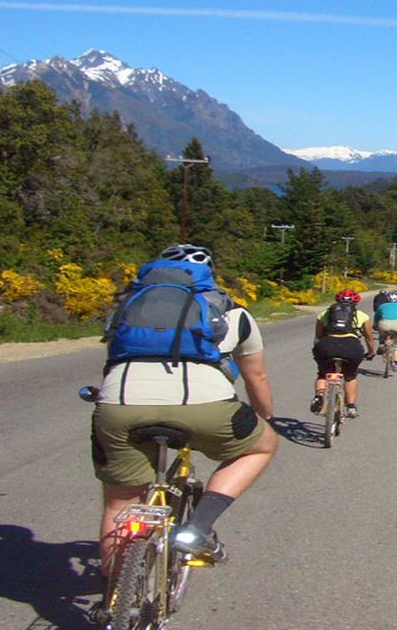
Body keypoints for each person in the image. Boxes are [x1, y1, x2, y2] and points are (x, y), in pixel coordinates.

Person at [90, 244, 278, 591]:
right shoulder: (232, 313)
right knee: (261, 446)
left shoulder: (128, 309)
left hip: (120, 405)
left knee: (120, 502)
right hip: (206, 404)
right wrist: (264, 416)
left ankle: (116, 597)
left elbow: (113, 360)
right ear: (209, 275)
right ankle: (198, 529)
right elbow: (256, 377)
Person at [310, 289, 375, 418]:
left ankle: (319, 396)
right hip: (350, 346)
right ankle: (351, 406)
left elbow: (318, 335)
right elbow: (369, 337)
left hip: (327, 345)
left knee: (323, 374)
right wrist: (371, 352)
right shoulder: (361, 315)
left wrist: (318, 349)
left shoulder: (324, 314)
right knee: (350, 376)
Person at [373, 294, 397, 370]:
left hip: (384, 324)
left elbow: (377, 316)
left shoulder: (382, 306)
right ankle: (395, 363)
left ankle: (381, 344)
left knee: (382, 336)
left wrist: (375, 325)